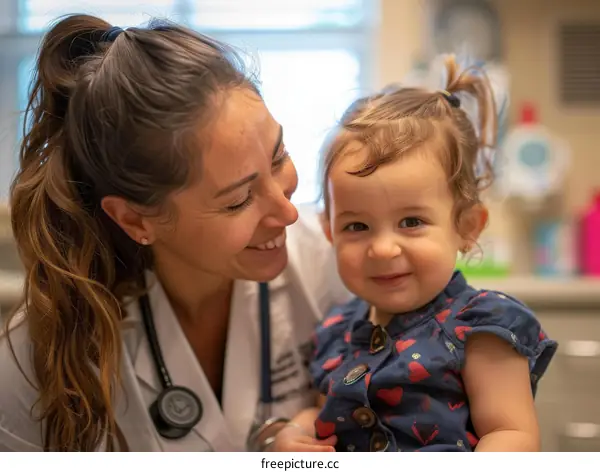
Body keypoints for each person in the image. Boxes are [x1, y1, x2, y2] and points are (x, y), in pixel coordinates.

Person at [0, 14, 351, 452]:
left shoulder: (338, 267)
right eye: (238, 199)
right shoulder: (39, 357)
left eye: (278, 157)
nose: (287, 212)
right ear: (135, 220)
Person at [271, 55, 558, 452]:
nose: (384, 249)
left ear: (466, 226)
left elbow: (512, 436)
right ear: (328, 232)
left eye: (411, 222)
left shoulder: (483, 328)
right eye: (356, 226)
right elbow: (325, 410)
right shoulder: (336, 330)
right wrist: (291, 435)